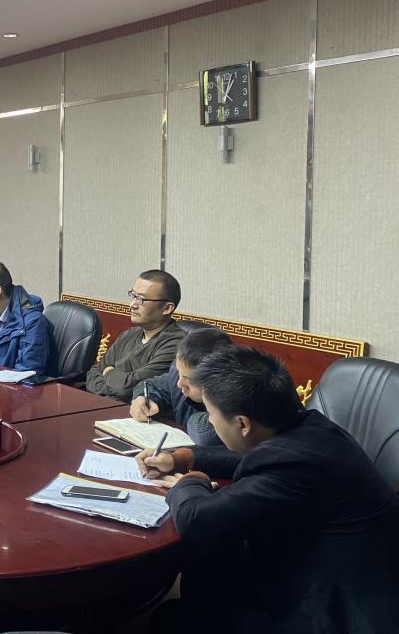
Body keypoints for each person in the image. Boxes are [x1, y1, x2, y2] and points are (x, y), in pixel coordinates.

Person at [138, 346, 399, 633]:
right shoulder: (308, 425)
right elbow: (253, 455)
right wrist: (185, 457)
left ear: (242, 423)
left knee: (171, 619)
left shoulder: (293, 466)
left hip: (335, 610)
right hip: (325, 567)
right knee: (205, 577)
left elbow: (195, 520)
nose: (209, 420)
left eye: (211, 413)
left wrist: (190, 481)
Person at [84, 269, 184, 400]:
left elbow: (130, 388)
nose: (132, 305)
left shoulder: (177, 344)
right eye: (132, 296)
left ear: (167, 308)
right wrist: (115, 387)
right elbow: (93, 374)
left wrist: (108, 372)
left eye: (141, 299)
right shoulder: (129, 334)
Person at [128, 326, 233, 445]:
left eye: (189, 379)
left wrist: (192, 419)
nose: (179, 383)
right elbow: (150, 385)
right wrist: (143, 398)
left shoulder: (235, 395)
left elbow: (206, 434)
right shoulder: (180, 373)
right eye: (179, 372)